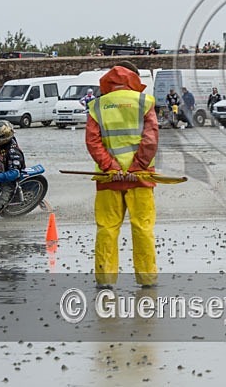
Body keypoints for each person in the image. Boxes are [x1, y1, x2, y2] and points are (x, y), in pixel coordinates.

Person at [85, 62, 159, 288]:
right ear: (134, 80)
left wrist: (111, 167)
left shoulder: (96, 106)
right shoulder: (144, 102)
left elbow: (93, 141)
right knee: (143, 228)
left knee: (107, 228)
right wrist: (136, 166)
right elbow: (150, 139)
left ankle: (105, 279)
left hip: (108, 180)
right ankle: (147, 278)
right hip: (141, 178)